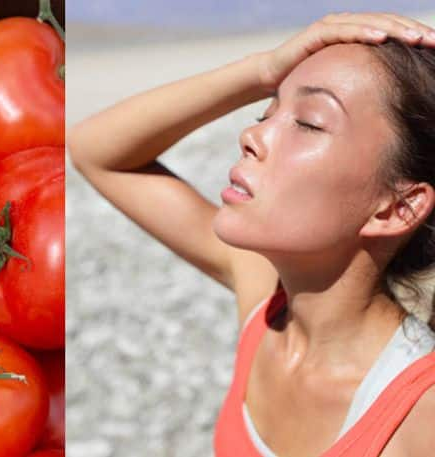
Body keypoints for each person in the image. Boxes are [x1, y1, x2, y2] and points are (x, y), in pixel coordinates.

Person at [68, 12, 435, 457]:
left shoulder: (419, 411)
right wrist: (263, 69)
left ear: (399, 208)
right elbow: (94, 150)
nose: (251, 134)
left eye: (309, 123)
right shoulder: (266, 305)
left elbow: (98, 154)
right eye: (267, 111)